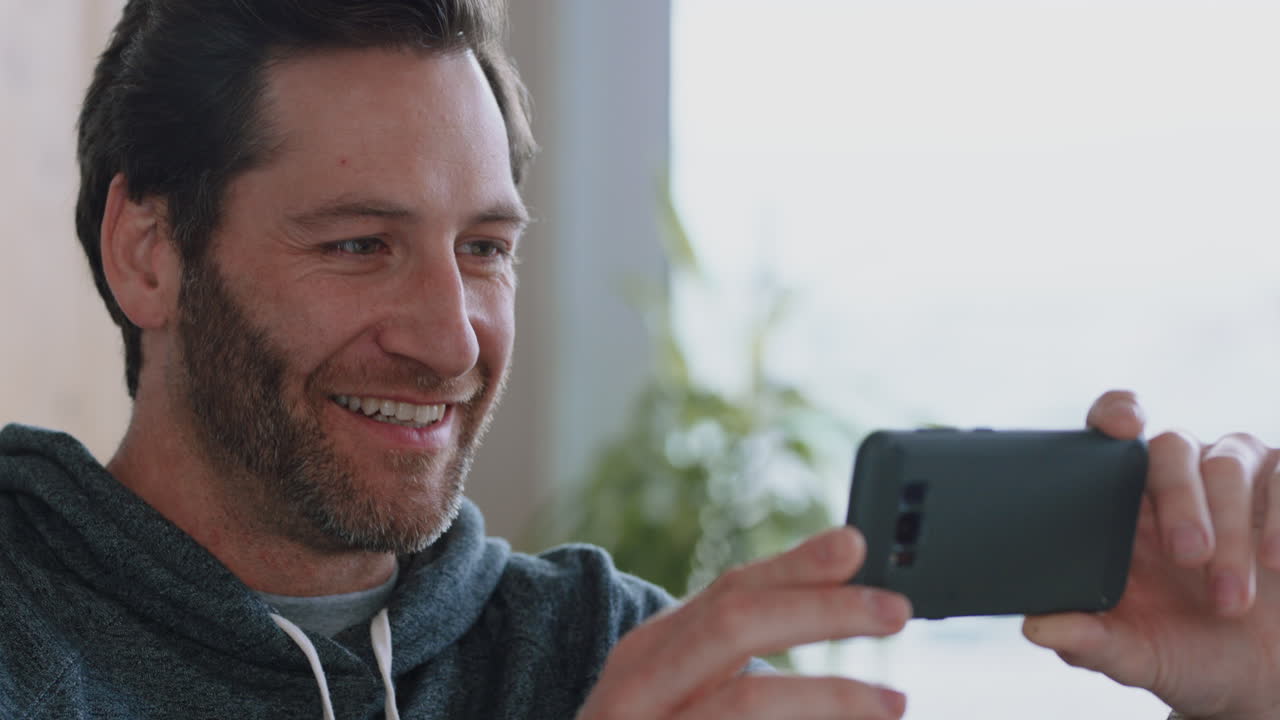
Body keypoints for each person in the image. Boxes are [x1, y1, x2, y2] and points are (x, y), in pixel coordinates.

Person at [1, 1, 1277, 718]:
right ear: (150, 252)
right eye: (355, 245)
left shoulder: (601, 655)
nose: (451, 339)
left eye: (485, 249)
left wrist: (1236, 705)